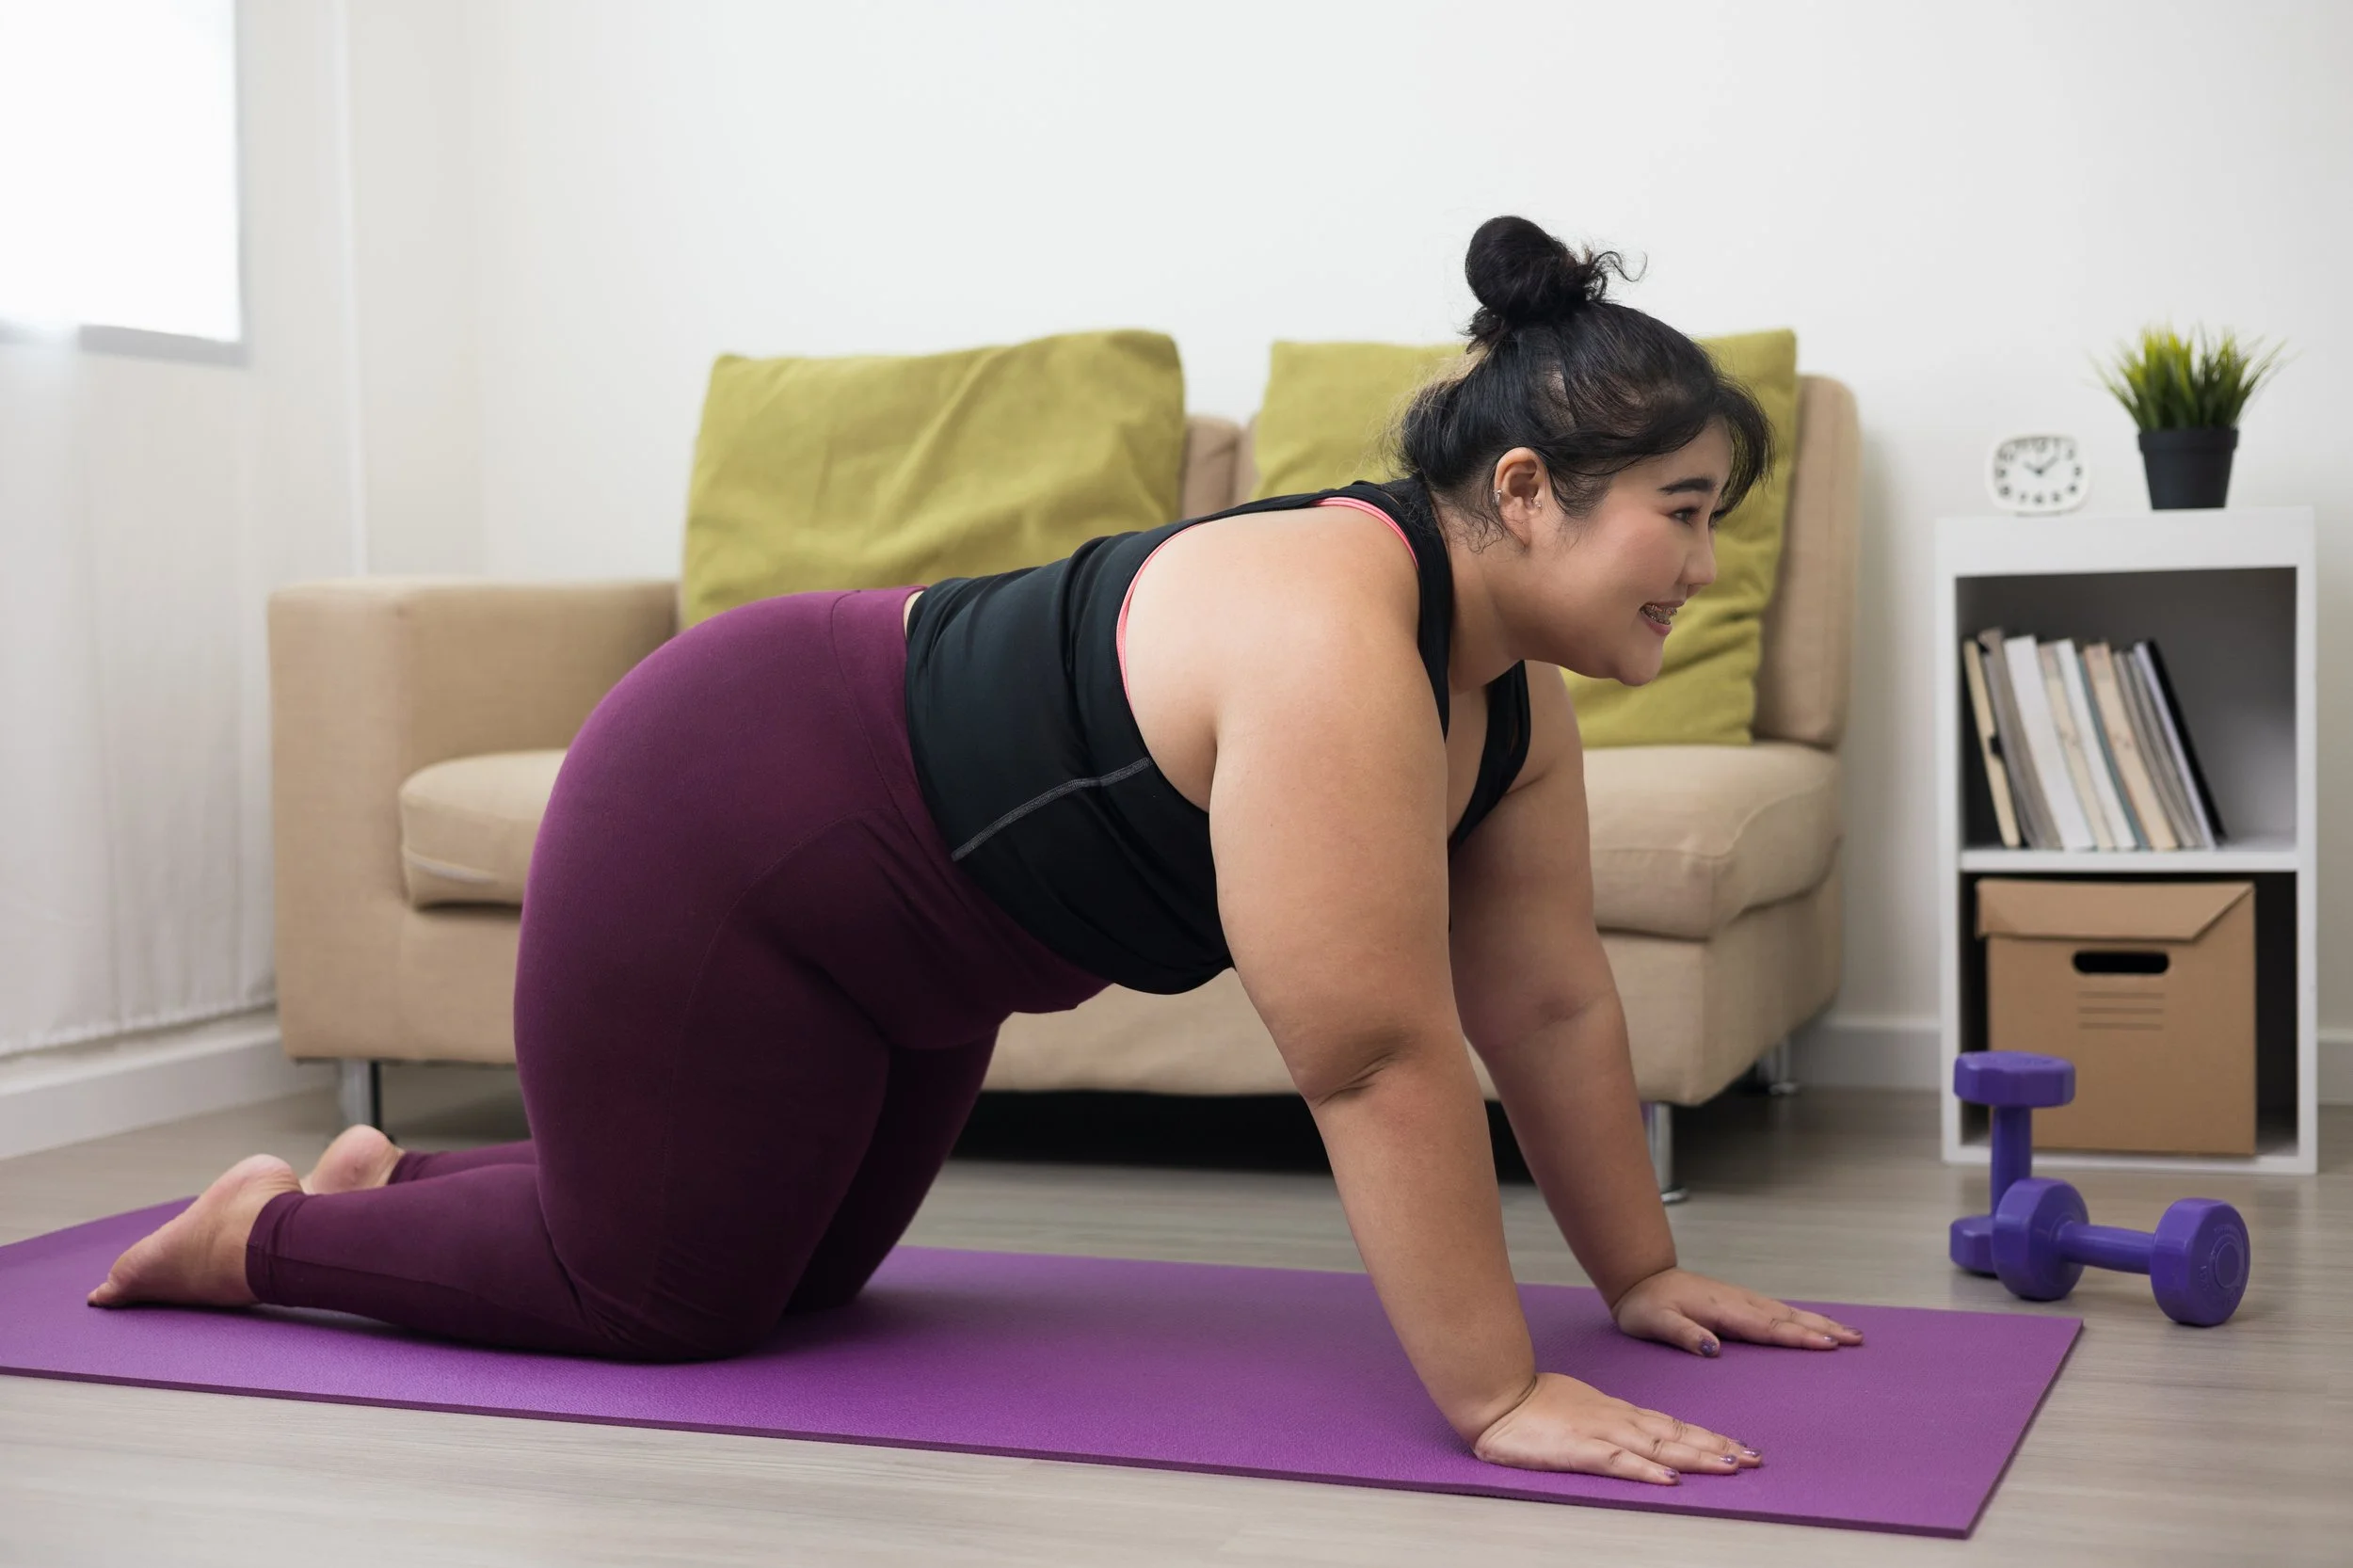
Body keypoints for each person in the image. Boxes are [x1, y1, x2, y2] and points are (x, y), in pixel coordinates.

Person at [88, 215, 1860, 1486]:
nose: (1701, 568)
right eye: (1684, 515)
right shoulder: (1332, 632)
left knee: (800, 1283)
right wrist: (1494, 1393)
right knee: (662, 1300)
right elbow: (1378, 1052)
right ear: (1534, 490)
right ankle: (260, 1241)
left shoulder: (1511, 706)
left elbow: (1545, 1006)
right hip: (732, 816)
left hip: (924, 951)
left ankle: (385, 1189)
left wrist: (1635, 1273)